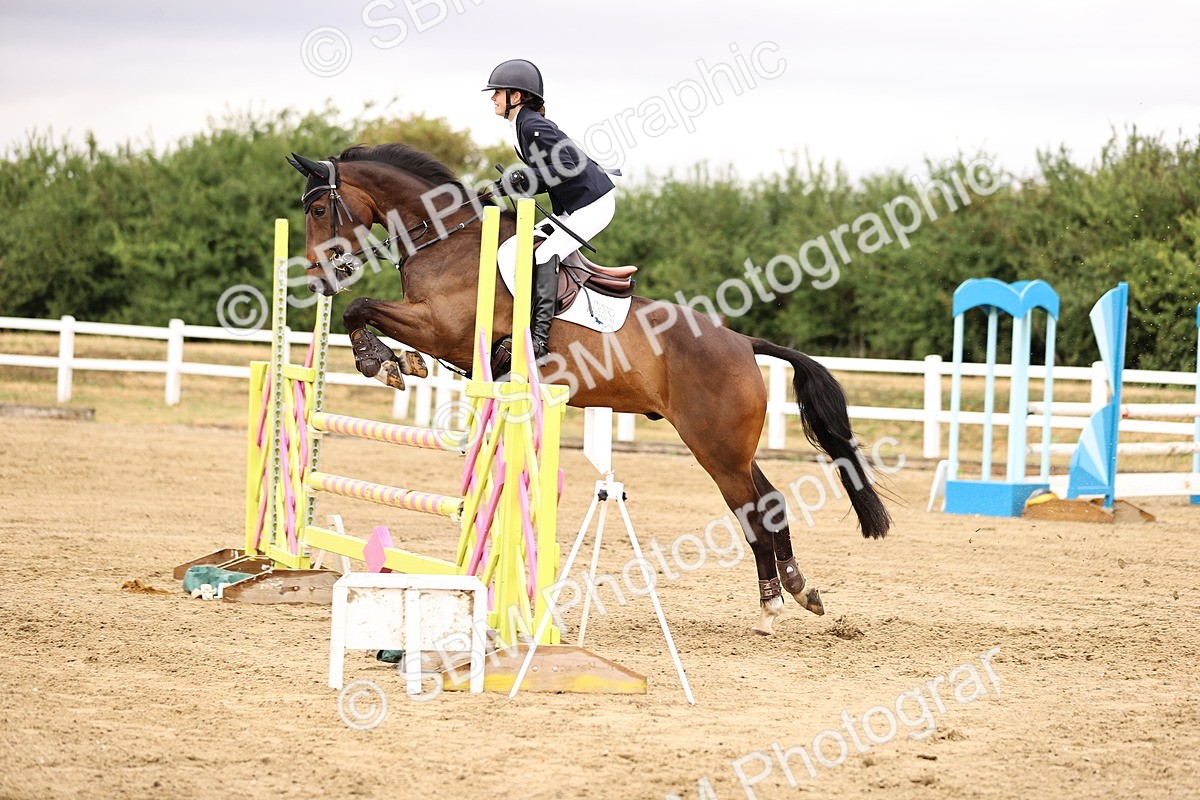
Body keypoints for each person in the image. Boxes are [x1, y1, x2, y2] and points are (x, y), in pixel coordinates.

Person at [483, 58, 617, 361]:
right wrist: (510, 184)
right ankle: (521, 317)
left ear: (516, 96)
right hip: (571, 207)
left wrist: (525, 177)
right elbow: (549, 175)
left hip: (592, 205)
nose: (493, 98)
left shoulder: (532, 125)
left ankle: (539, 340)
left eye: (498, 92)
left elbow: (566, 167)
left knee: (545, 253)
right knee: (513, 248)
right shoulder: (521, 125)